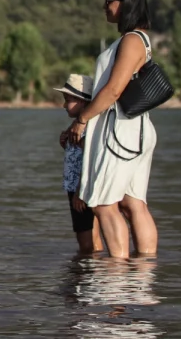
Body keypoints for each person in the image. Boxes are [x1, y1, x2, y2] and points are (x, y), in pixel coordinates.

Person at [68, 0, 159, 259]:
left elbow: (114, 90)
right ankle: (143, 274)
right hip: (134, 131)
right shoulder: (136, 39)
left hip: (120, 133)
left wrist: (81, 119)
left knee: (105, 204)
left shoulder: (132, 40)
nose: (104, 6)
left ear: (126, 2)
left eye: (109, 0)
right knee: (133, 203)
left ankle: (118, 275)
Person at [56, 74, 104, 254]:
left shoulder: (82, 130)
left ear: (84, 103)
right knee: (92, 234)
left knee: (85, 239)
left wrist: (79, 192)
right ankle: (92, 268)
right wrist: (66, 145)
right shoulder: (82, 127)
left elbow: (89, 159)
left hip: (80, 189)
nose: (64, 105)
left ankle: (87, 271)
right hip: (82, 187)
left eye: (68, 100)